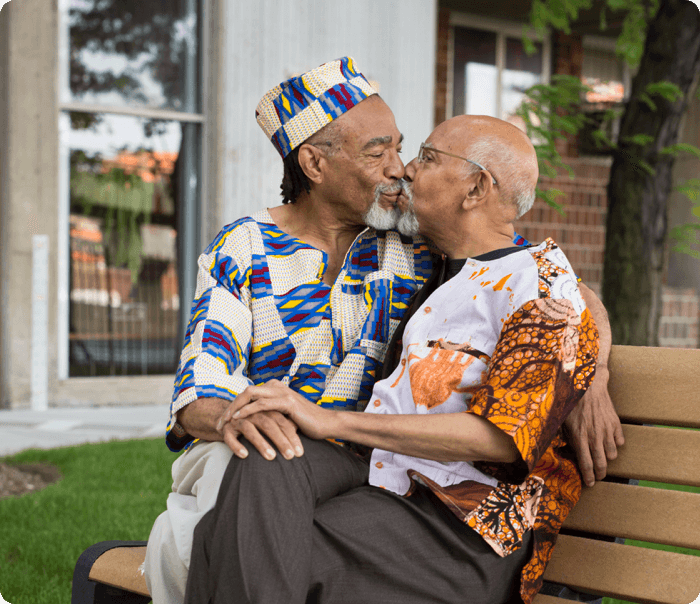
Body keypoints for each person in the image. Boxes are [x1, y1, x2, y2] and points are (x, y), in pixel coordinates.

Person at [143, 57, 622, 603]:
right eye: (379, 152)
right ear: (314, 164)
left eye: (406, 148)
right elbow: (197, 395)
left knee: (208, 537)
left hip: (367, 462)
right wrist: (256, 415)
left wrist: (590, 374)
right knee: (257, 453)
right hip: (276, 451)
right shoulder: (243, 248)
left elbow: (563, 291)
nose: (400, 168)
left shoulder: (414, 242)